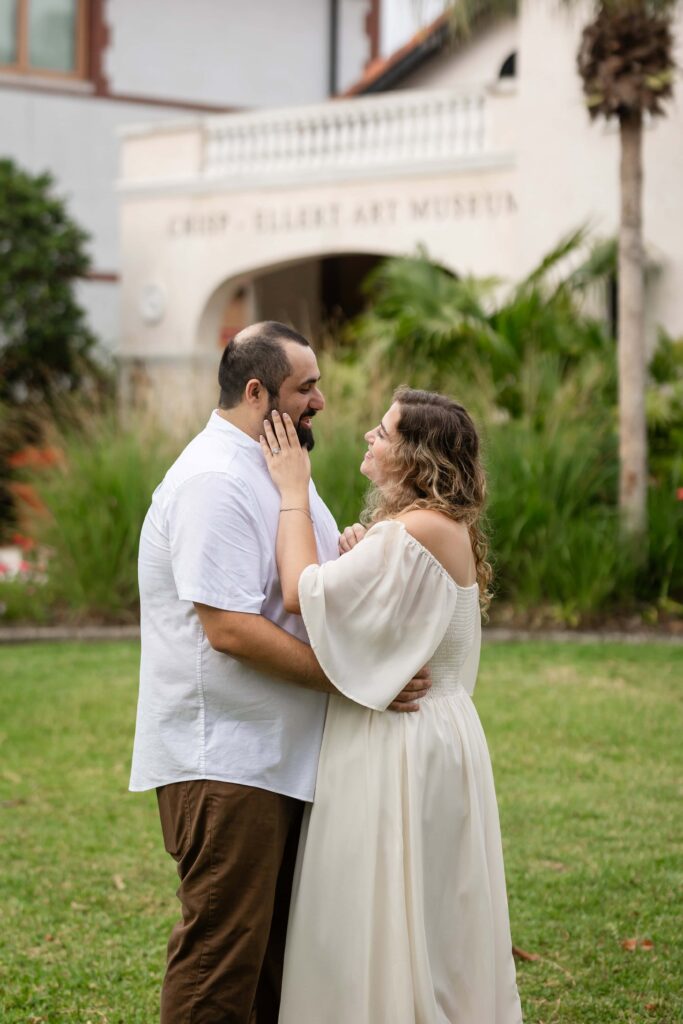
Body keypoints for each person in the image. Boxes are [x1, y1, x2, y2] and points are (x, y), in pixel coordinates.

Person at [129, 322, 429, 1024]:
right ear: (257, 390)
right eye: (306, 387)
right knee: (220, 965)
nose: (321, 400)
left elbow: (306, 590)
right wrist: (355, 681)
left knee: (271, 968)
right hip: (227, 763)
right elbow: (229, 627)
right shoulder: (213, 479)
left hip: (277, 757)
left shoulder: (278, 467)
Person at [259, 387, 523, 1024]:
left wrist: (293, 490)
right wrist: (365, 556)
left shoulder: (415, 530)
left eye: (383, 433)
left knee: (380, 901)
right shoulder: (432, 528)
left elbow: (298, 592)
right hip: (439, 732)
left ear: (416, 457)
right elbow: (395, 624)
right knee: (431, 912)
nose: (369, 439)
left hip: (401, 742)